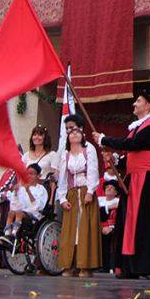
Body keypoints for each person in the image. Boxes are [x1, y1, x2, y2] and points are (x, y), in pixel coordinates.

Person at [94, 88, 150, 280]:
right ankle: (129, 266)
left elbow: (134, 144)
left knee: (146, 222)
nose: (134, 104)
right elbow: (132, 155)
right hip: (133, 178)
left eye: (138, 101)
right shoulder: (137, 127)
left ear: (148, 105)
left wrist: (105, 139)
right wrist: (116, 160)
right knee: (127, 221)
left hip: (146, 180)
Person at [57, 119, 101, 277]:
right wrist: (62, 198)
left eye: (77, 131)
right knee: (70, 230)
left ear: (82, 134)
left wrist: (90, 191)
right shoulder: (66, 154)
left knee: (84, 229)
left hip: (85, 192)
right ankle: (69, 265)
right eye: (71, 132)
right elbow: (62, 177)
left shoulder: (89, 150)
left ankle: (85, 266)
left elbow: (93, 171)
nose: (73, 134)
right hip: (71, 194)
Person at [2, 164, 48, 240]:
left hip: (34, 215)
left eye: (32, 174)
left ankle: (14, 233)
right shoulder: (21, 187)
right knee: (11, 213)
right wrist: (15, 193)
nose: (29, 176)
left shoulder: (41, 190)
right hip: (19, 211)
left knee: (19, 213)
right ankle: (7, 233)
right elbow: (14, 205)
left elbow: (38, 207)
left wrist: (28, 192)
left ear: (38, 175)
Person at [98, 180, 121, 273]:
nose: (109, 189)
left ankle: (111, 266)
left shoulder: (118, 201)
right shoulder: (99, 200)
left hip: (114, 227)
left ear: (116, 192)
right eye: (107, 187)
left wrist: (111, 228)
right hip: (100, 227)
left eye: (111, 188)